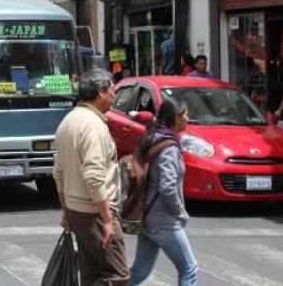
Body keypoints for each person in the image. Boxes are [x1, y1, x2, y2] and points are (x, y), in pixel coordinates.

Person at [53, 68, 128, 285]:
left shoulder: (68, 121)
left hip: (77, 211)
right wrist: (107, 220)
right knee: (117, 274)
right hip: (94, 211)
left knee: (91, 273)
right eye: (112, 91)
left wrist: (67, 210)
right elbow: (94, 177)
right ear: (101, 92)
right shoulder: (93, 126)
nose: (114, 96)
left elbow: (59, 172)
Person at [129, 98, 197, 286]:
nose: (188, 119)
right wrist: (179, 212)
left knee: (140, 271)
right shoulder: (169, 149)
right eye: (185, 115)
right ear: (176, 119)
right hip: (164, 221)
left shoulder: (153, 138)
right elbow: (167, 187)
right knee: (189, 269)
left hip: (148, 217)